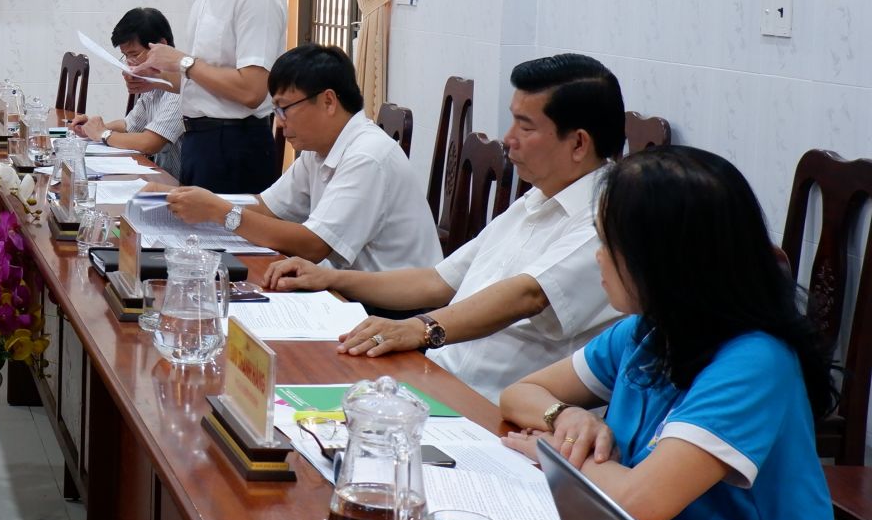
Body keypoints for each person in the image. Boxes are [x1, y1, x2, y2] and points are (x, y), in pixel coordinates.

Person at [498, 147, 838, 520]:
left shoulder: (756, 362)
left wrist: (555, 453)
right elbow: (519, 393)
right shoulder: (649, 330)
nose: (598, 258)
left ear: (664, 260)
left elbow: (639, 501)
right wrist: (566, 416)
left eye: (610, 243)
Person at [263, 54, 625, 402]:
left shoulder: (605, 218)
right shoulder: (535, 199)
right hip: (434, 378)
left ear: (578, 143)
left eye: (525, 126)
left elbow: (528, 294)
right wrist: (330, 278)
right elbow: (437, 281)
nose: (508, 138)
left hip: (491, 408)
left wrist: (418, 328)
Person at [164, 44, 439, 273]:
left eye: (284, 108)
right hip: (348, 290)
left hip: (396, 310)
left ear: (328, 102)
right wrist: (188, 199)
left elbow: (314, 245)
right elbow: (267, 206)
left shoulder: (367, 155)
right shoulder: (318, 149)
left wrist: (219, 211)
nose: (280, 122)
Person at [128, 0, 287, 194]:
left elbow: (252, 90)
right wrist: (157, 80)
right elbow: (209, 80)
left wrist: (182, 62)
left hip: (235, 146)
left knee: (222, 230)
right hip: (200, 142)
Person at [70, 7, 182, 176]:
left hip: (179, 182)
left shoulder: (180, 87)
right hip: (159, 175)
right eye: (125, 55)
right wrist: (91, 128)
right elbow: (129, 126)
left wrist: (103, 134)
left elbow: (149, 143)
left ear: (161, 46)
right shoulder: (152, 83)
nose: (129, 63)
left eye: (134, 54)